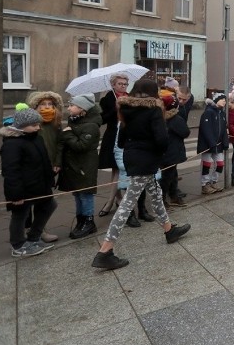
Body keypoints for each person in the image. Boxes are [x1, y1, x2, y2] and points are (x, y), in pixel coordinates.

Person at [92, 79, 190, 270]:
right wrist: (156, 151)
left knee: (155, 195)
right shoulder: (153, 109)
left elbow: (120, 141)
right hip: (147, 159)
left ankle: (169, 230)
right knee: (127, 204)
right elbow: (162, 139)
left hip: (132, 157)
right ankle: (105, 251)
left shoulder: (125, 109)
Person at [1, 108, 57, 258]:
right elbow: (10, 171)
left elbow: (45, 161)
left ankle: (34, 238)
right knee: (20, 215)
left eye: (38, 124)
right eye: (33, 125)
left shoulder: (36, 138)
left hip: (40, 185)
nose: (38, 127)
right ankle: (18, 245)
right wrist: (15, 195)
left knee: (50, 204)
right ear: (21, 125)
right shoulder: (12, 144)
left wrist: (50, 179)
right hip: (23, 189)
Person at [59, 93, 102, 239]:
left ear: (82, 108)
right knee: (77, 193)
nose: (69, 108)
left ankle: (89, 222)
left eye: (72, 105)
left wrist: (68, 135)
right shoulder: (75, 121)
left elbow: (81, 146)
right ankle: (80, 220)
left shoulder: (90, 125)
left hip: (85, 165)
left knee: (85, 194)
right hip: (76, 164)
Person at [25, 91, 64, 243]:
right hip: (32, 169)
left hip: (49, 168)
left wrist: (57, 162)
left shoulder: (56, 123)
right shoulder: (31, 124)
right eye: (43, 104)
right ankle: (27, 229)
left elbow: (60, 144)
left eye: (50, 104)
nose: (47, 108)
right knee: (29, 201)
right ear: (35, 107)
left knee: (45, 201)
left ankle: (40, 229)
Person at [97, 74, 129, 217]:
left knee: (119, 170)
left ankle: (115, 200)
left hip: (126, 136)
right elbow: (102, 119)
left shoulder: (130, 97)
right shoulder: (108, 99)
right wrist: (116, 109)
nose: (123, 86)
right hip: (112, 136)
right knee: (116, 169)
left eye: (125, 84)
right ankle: (113, 200)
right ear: (113, 85)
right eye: (120, 84)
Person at [160, 93, 190, 208]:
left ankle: (172, 196)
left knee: (170, 175)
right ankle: (165, 199)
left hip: (164, 152)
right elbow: (185, 132)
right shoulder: (175, 118)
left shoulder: (160, 117)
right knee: (168, 177)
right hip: (172, 152)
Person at [197, 92, 229, 195]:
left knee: (220, 164)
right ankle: (204, 184)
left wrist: (225, 142)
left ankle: (214, 181)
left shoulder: (222, 113)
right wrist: (211, 142)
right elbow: (206, 130)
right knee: (207, 164)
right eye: (222, 99)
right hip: (208, 144)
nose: (224, 101)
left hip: (218, 145)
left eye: (225, 99)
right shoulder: (208, 112)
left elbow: (224, 129)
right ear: (216, 100)